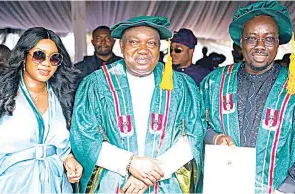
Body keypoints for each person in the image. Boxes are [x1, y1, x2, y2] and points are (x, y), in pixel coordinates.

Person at [70, 16, 205, 193]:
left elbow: (194, 133)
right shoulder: (96, 84)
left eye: (151, 43)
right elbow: (84, 136)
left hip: (165, 182)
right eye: (134, 42)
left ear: (160, 48)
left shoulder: (181, 85)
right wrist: (129, 162)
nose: (143, 50)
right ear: (121, 46)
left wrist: (152, 174)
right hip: (114, 183)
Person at [200, 1, 295, 193]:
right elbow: (196, 123)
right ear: (241, 43)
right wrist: (215, 137)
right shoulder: (215, 81)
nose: (260, 46)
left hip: (276, 189)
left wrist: (287, 188)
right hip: (222, 186)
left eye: (269, 39)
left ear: (279, 43)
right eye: (252, 38)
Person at [0, 27, 83, 193]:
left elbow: (60, 146)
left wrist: (68, 159)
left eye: (54, 58)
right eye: (39, 55)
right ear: (24, 56)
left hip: (55, 187)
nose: (46, 63)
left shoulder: (62, 97)